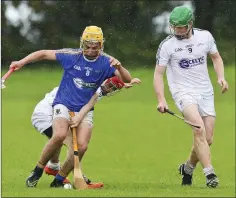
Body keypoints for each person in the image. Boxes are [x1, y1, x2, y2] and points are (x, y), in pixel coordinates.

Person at [9, 25, 132, 188]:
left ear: (101, 45)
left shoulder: (107, 62)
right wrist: (22, 62)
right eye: (88, 46)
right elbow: (44, 53)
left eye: (95, 47)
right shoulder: (72, 56)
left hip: (85, 108)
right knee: (59, 135)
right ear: (82, 43)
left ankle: (58, 180)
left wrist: (119, 67)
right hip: (64, 102)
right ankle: (37, 170)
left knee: (81, 146)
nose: (91, 50)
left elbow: (127, 79)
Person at [153, 6, 228, 188]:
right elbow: (158, 75)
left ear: (190, 24)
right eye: (175, 27)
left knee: (208, 139)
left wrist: (221, 77)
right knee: (198, 130)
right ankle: (210, 174)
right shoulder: (167, 45)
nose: (177, 31)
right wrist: (161, 99)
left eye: (181, 27)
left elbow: (216, 58)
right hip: (183, 92)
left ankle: (187, 168)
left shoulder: (205, 37)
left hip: (205, 91)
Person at [31, 77, 141, 188]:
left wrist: (124, 83)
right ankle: (77, 178)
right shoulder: (92, 88)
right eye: (109, 85)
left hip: (51, 111)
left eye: (113, 88)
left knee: (59, 140)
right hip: (45, 114)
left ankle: (53, 167)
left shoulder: (93, 85)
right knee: (73, 145)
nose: (110, 90)